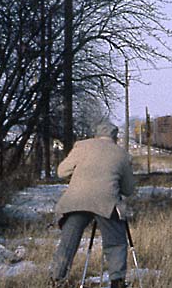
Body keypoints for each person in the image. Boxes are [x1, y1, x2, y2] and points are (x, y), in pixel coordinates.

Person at [50, 119, 136, 288]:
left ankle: (57, 278)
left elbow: (61, 172)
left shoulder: (81, 146)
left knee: (68, 241)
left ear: (95, 134)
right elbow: (128, 189)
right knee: (116, 241)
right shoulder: (122, 154)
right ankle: (117, 280)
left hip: (76, 200)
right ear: (115, 137)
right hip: (106, 201)